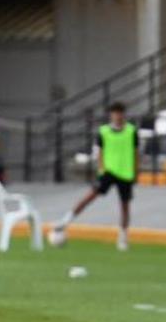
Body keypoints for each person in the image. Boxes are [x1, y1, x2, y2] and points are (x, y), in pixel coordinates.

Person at [52, 102, 138, 251]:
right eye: (115, 113)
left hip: (126, 172)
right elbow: (99, 151)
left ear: (124, 114)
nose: (118, 116)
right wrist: (101, 168)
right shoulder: (104, 131)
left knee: (125, 206)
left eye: (120, 113)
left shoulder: (131, 131)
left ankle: (123, 237)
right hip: (108, 172)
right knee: (89, 197)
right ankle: (65, 221)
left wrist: (136, 171)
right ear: (111, 114)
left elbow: (136, 153)